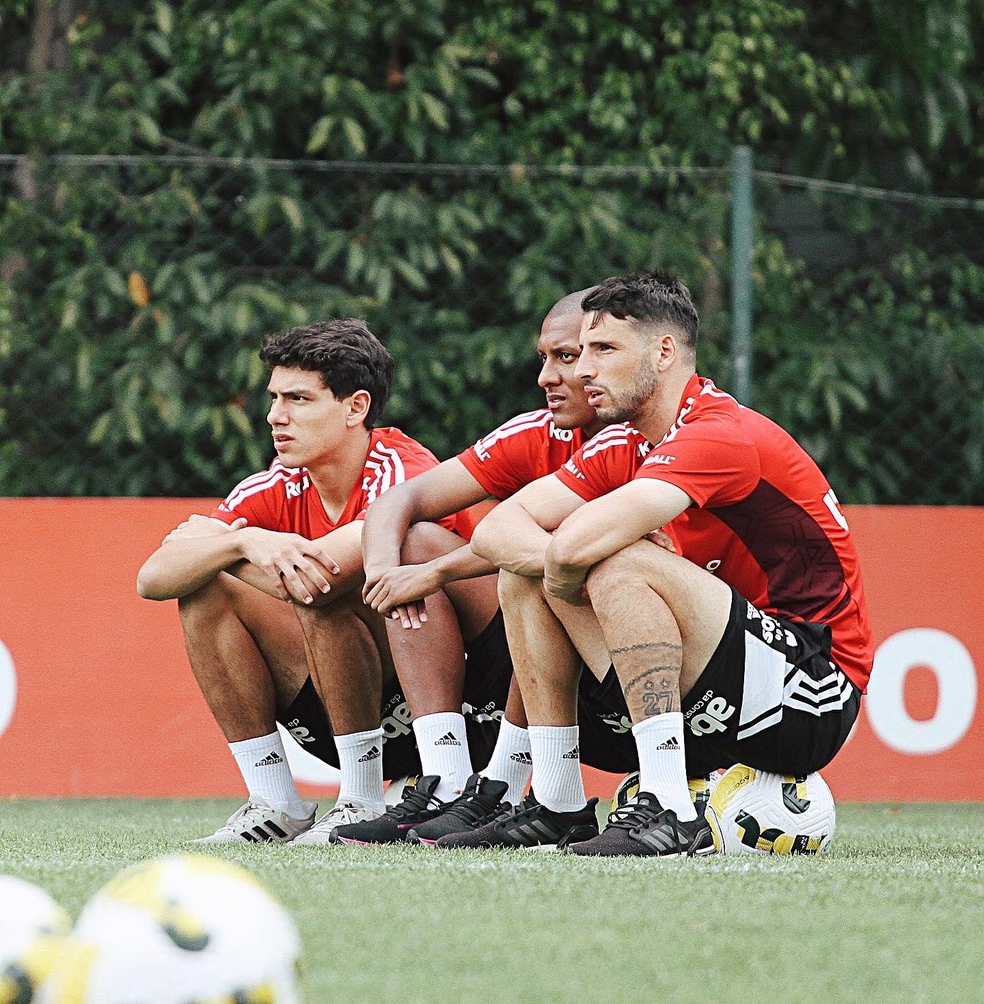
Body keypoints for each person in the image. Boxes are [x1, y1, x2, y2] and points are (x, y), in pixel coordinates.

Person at [465, 269, 872, 856]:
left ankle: (669, 808)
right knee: (526, 571)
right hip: (712, 689)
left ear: (664, 352)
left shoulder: (720, 433)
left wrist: (574, 560)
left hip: (810, 695)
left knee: (617, 559)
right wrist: (560, 566)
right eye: (583, 351)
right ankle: (555, 801)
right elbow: (495, 532)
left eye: (603, 350)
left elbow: (581, 547)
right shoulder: (623, 443)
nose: (583, 370)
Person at [137, 319, 509, 844]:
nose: (275, 417)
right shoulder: (275, 485)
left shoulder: (402, 469)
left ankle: (361, 798)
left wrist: (218, 549)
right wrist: (242, 544)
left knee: (348, 580)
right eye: (274, 398)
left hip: (467, 707)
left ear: (356, 407)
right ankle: (274, 804)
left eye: (298, 399)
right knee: (205, 591)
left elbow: (321, 579)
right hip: (351, 703)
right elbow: (153, 578)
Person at [334, 288, 649, 846]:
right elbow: (397, 504)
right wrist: (385, 571)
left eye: (568, 357)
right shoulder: (538, 432)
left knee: (536, 559)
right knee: (417, 544)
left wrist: (248, 547)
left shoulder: (661, 435)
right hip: (546, 637)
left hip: (659, 662)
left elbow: (558, 545)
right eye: (545, 358)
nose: (546, 376)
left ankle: (506, 784)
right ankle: (448, 780)